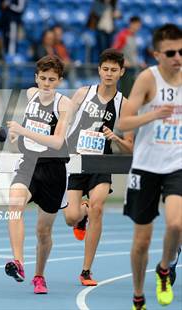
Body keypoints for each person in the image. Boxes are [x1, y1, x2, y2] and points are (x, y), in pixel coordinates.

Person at [118, 24, 182, 309]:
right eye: (171, 52)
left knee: (176, 223)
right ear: (157, 54)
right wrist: (154, 114)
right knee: (142, 240)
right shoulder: (147, 79)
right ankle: (138, 294)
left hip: (177, 163)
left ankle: (165, 269)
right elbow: (123, 123)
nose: (178, 57)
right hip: (146, 166)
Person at [63, 48, 134, 286]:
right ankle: (81, 213)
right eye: (105, 69)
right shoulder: (83, 94)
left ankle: (86, 271)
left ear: (121, 72)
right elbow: (63, 121)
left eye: (114, 70)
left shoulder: (124, 105)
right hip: (76, 160)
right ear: (99, 70)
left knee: (98, 208)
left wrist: (116, 138)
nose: (109, 74)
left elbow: (130, 148)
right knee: (71, 218)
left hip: (102, 162)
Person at [4, 55, 72, 294]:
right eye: (43, 78)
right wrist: (17, 135)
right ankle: (18, 262)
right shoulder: (30, 94)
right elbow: (30, 122)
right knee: (15, 204)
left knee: (43, 232)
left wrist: (23, 130)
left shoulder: (64, 104)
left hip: (53, 169)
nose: (46, 84)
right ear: (36, 78)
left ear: (60, 80)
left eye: (52, 80)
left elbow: (56, 141)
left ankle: (39, 276)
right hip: (29, 164)